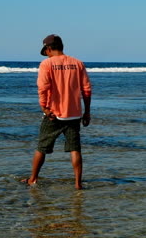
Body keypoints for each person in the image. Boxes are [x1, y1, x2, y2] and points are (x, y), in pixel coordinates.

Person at [23, 34, 92, 190]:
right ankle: (78, 184)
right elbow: (86, 90)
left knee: (42, 147)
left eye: (45, 50)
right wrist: (87, 112)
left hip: (54, 114)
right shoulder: (77, 63)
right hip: (74, 114)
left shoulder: (47, 64)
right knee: (75, 149)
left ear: (48, 49)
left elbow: (43, 88)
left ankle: (33, 179)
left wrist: (44, 108)